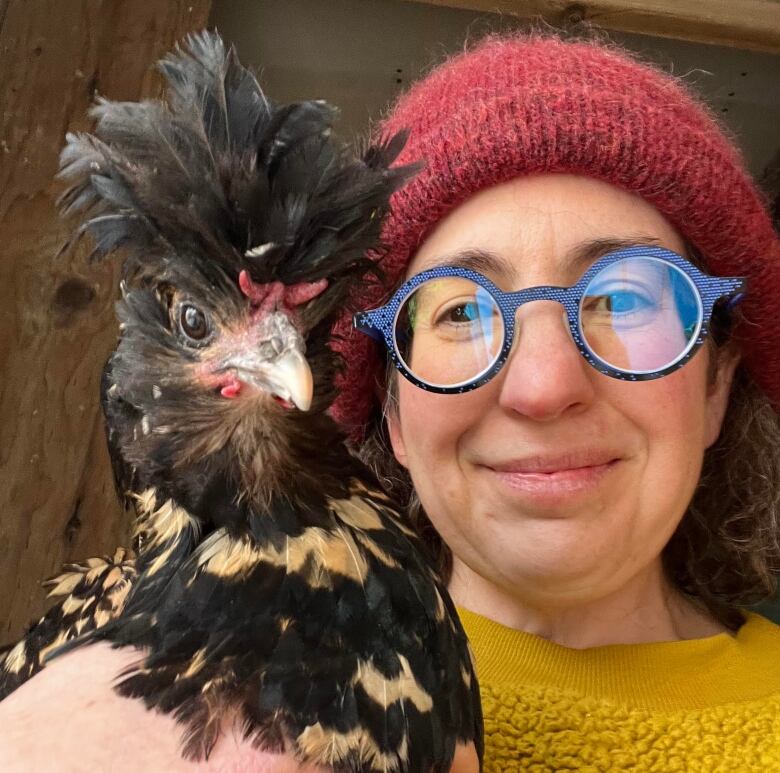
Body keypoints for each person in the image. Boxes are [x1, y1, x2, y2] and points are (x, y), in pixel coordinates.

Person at [330, 31, 780, 771]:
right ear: (392, 411)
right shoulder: (236, 716)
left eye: (623, 298)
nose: (544, 387)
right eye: (462, 312)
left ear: (714, 385)